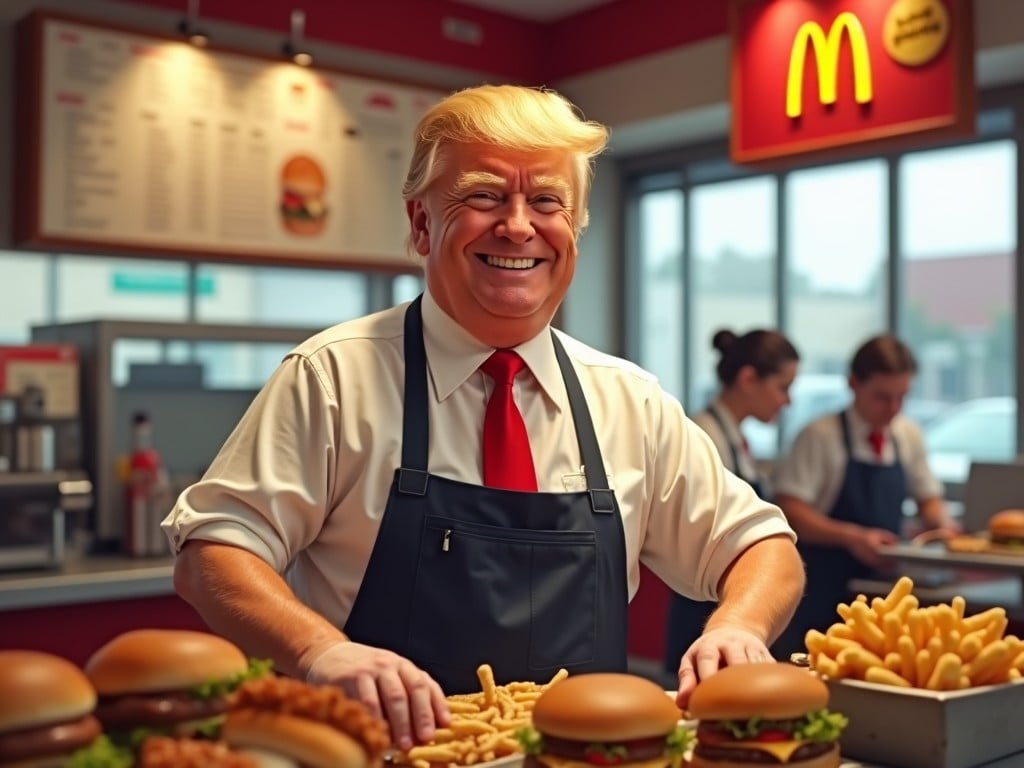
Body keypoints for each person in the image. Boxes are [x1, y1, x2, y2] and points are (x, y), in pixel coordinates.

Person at [161, 83, 805, 751]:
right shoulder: (333, 377)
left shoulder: (630, 401)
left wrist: (739, 628)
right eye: (484, 196)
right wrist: (322, 652)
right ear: (419, 223)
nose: (520, 226)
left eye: (549, 201)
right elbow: (214, 553)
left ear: (576, 230)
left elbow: (764, 546)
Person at [771, 333, 959, 656]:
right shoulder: (820, 436)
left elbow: (928, 498)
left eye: (902, 397)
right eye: (882, 397)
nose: (893, 408)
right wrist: (853, 536)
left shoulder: (907, 435)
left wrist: (945, 528)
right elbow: (789, 509)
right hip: (823, 590)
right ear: (853, 384)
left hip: (883, 594)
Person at [663, 328, 799, 676]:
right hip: (705, 608)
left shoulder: (735, 437)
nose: (788, 401)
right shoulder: (703, 435)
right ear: (748, 378)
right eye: (782, 387)